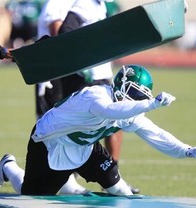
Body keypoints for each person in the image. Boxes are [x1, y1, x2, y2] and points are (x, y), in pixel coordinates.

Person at [0, 64, 196, 196]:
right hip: (51, 142)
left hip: (84, 146)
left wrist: (185, 150)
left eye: (140, 96)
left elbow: (155, 134)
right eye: (133, 93)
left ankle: (70, 184)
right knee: (30, 195)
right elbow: (110, 111)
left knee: (120, 189)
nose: (135, 99)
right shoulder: (97, 96)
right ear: (121, 85)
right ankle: (8, 166)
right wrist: (151, 104)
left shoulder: (129, 109)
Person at [35, 0, 136, 194]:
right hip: (62, 72)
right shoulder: (73, 3)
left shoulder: (100, 4)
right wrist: (78, 63)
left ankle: (112, 177)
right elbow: (59, 31)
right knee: (57, 126)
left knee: (115, 120)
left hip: (96, 70)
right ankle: (61, 178)